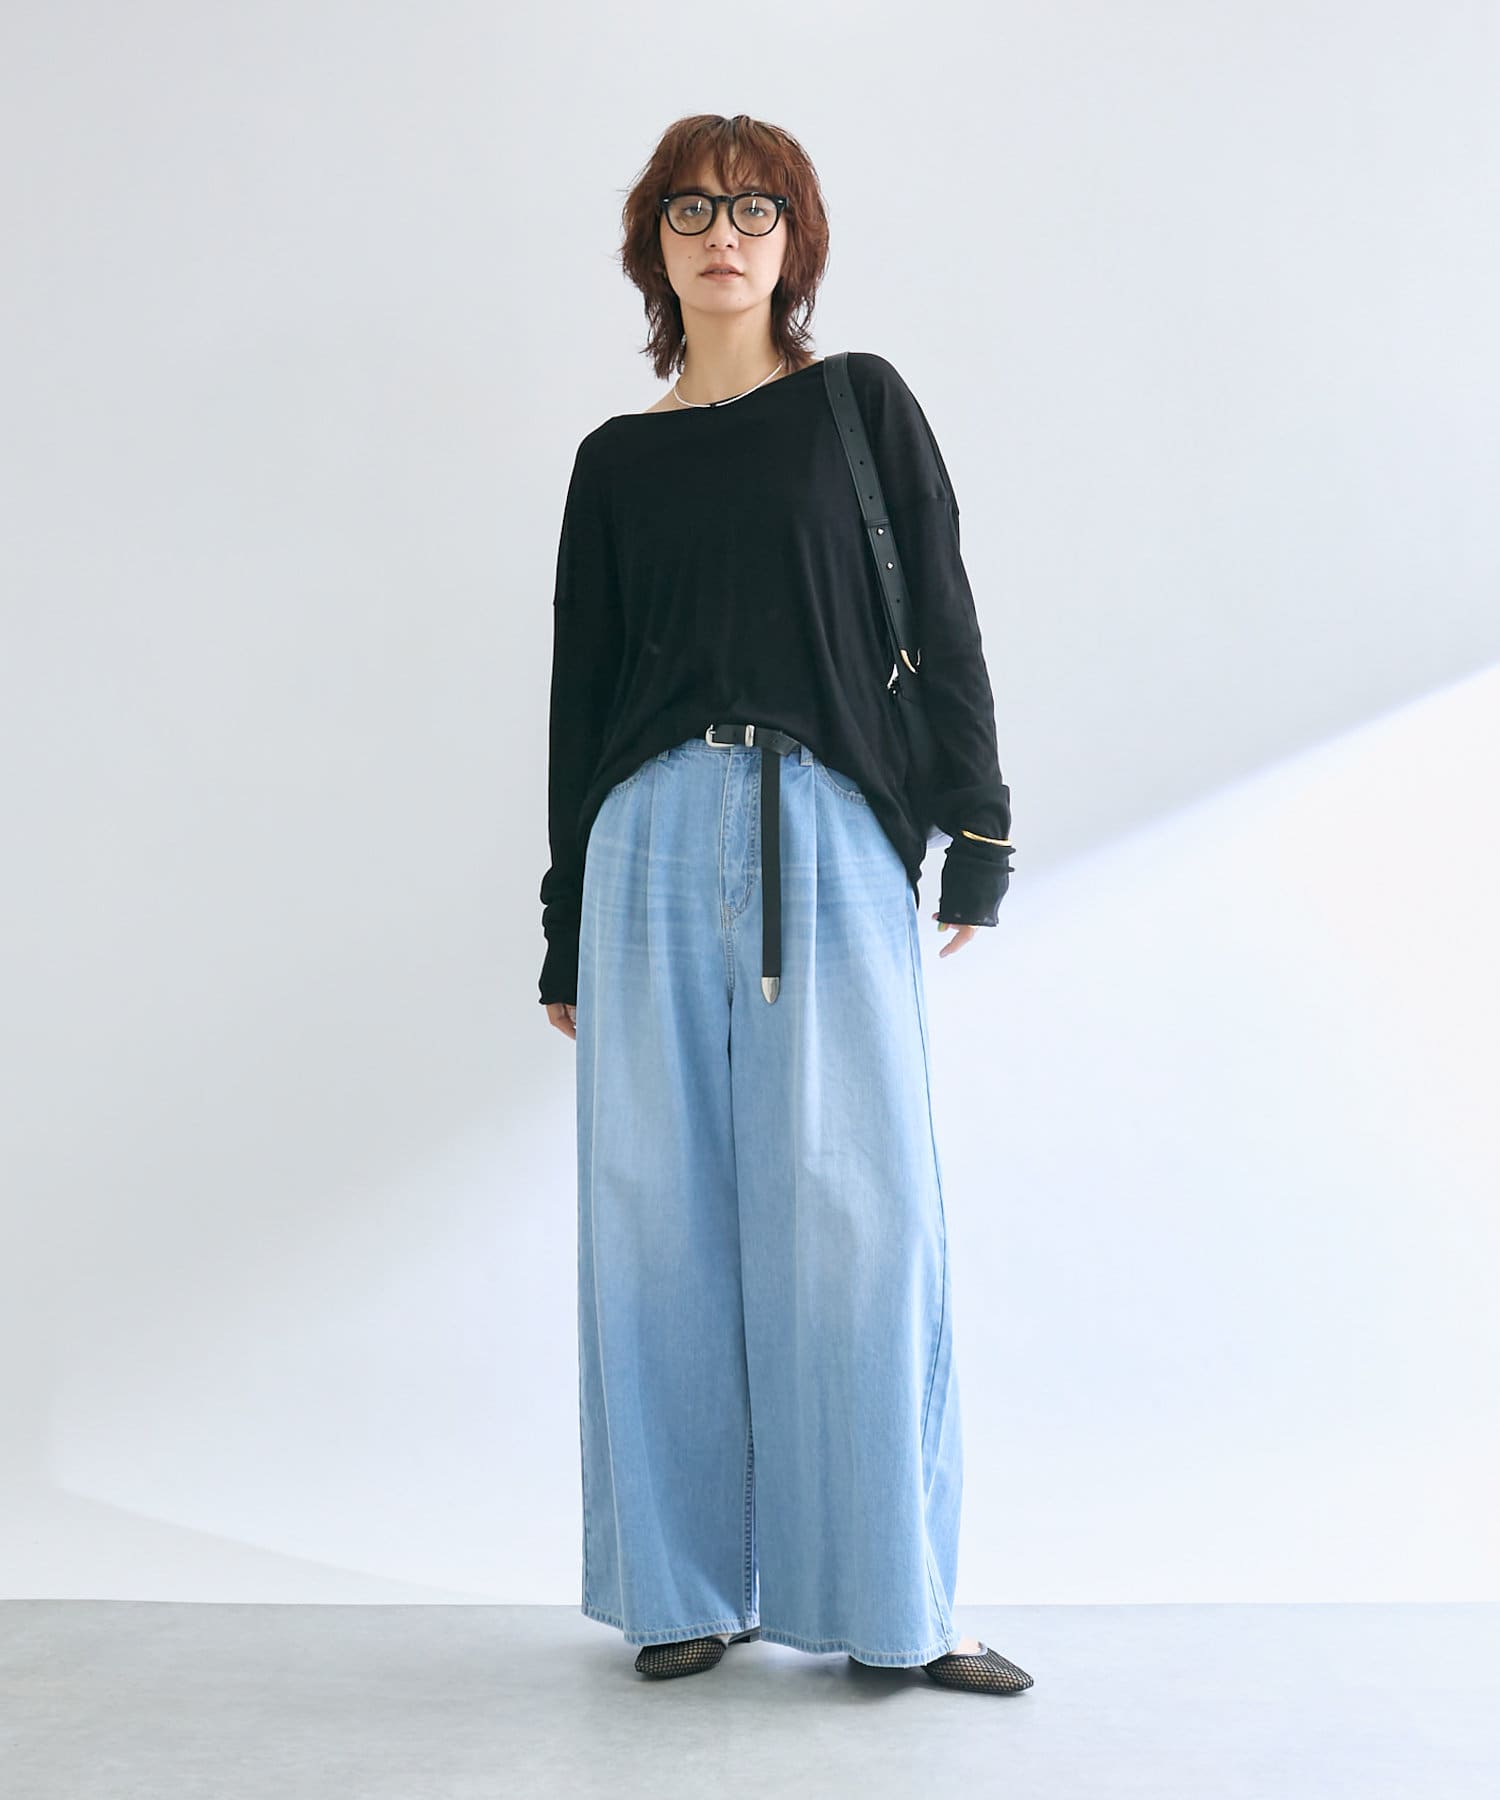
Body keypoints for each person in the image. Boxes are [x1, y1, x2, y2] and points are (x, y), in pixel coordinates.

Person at [537, 113, 1033, 1697]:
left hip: (823, 828)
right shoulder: (615, 463)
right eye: (692, 209)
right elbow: (580, 699)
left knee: (858, 1213)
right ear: (654, 243)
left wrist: (979, 832)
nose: (723, 233)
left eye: (755, 208)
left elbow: (943, 615)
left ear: (795, 240)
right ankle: (677, 1588)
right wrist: (561, 922)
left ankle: (894, 1601)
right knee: (651, 1214)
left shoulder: (856, 408)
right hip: (643, 842)